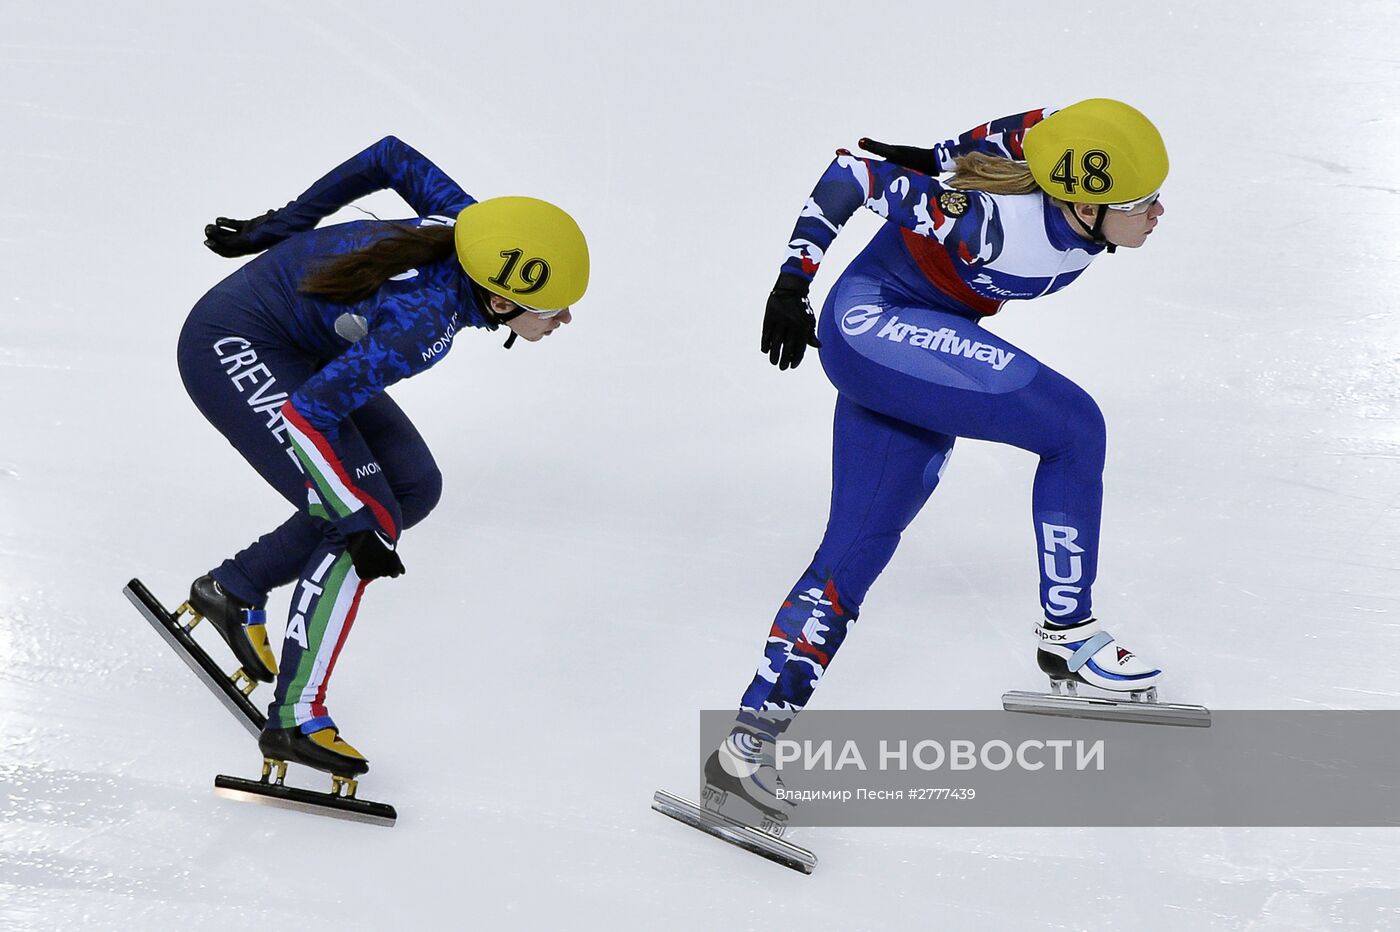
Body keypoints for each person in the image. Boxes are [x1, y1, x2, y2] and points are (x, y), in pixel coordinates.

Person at [711, 99, 1169, 815]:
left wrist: (942, 152)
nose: (1158, 212)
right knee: (1075, 428)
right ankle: (1069, 634)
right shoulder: (992, 223)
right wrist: (791, 283)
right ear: (1084, 204)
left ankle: (743, 750)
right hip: (879, 327)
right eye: (1141, 202)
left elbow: (1034, 123)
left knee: (855, 550)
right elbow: (853, 174)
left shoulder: (1055, 157)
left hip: (918, 343)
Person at [175, 136, 588, 781]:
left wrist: (277, 229)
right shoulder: (422, 327)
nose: (563, 319)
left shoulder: (470, 227)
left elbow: (390, 157)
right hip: (234, 343)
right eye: (554, 309)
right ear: (501, 300)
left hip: (306, 347)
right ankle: (294, 715)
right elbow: (305, 415)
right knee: (365, 517)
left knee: (414, 487)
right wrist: (358, 523)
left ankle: (236, 588)